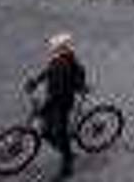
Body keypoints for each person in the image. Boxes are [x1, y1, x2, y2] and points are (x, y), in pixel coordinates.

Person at [25, 33, 88, 180]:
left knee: (60, 134)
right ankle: (66, 151)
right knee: (46, 131)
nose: (51, 48)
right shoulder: (59, 59)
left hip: (62, 102)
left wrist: (44, 105)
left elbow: (58, 93)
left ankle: (67, 165)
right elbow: (48, 71)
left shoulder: (63, 65)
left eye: (54, 46)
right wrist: (36, 81)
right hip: (56, 99)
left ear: (61, 48)